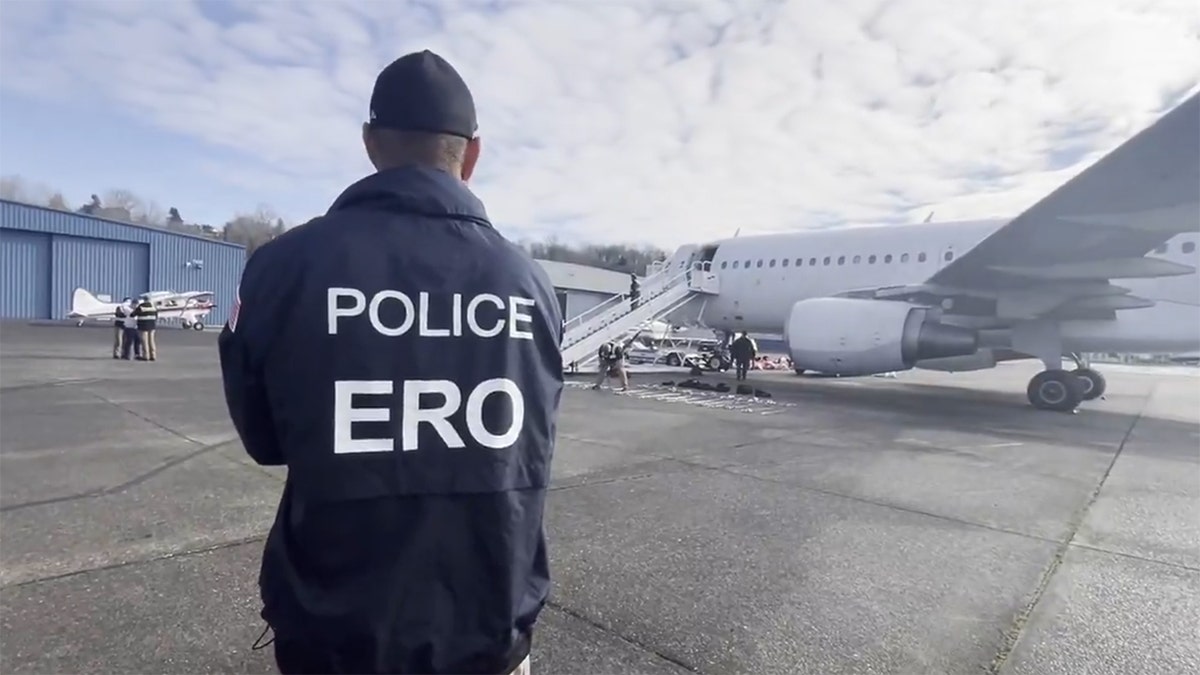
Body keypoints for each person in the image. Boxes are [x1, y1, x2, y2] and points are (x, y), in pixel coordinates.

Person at [218, 50, 562, 675]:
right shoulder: (529, 283)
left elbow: (266, 440)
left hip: (335, 630)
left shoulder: (285, 266)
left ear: (371, 145)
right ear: (473, 155)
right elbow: (531, 443)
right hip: (491, 626)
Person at [133, 295, 159, 361]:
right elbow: (156, 316)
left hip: (143, 326)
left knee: (145, 341)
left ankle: (146, 356)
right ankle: (153, 355)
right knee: (151, 341)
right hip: (152, 326)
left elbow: (133, 314)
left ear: (144, 300)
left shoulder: (141, 306)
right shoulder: (153, 307)